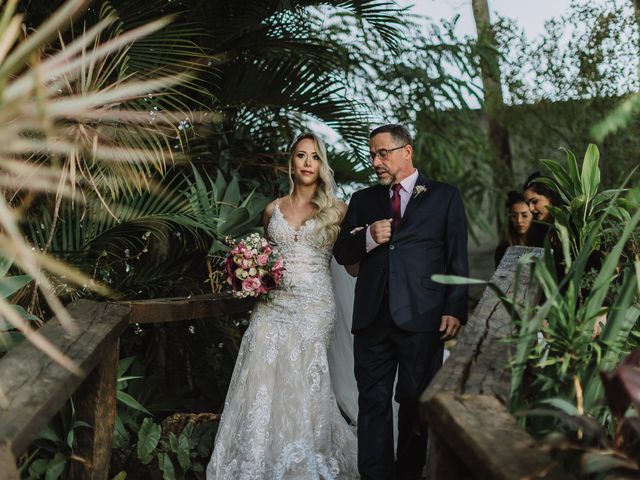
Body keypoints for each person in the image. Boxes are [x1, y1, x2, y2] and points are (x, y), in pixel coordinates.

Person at [207, 133, 358, 479]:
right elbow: (268, 257)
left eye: (315, 157)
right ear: (291, 162)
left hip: (314, 306)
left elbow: (351, 261)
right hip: (272, 305)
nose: (307, 163)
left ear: (321, 165)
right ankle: (257, 459)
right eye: (301, 156)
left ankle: (303, 458)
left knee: (302, 378)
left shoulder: (338, 210)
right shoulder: (272, 209)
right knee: (259, 373)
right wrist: (249, 270)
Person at [333, 124, 469, 480]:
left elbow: (458, 258)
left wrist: (454, 308)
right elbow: (341, 251)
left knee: (415, 400)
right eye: (372, 154)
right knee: (373, 402)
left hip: (423, 318)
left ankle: (410, 472)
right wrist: (368, 238)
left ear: (406, 151)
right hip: (372, 318)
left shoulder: (444, 196)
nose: (375, 161)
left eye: (383, 153)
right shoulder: (363, 200)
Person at [494, 190, 533, 267]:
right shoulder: (502, 250)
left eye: (524, 215)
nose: (519, 220)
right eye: (514, 216)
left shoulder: (543, 246)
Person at [522, 172, 561, 247]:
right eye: (527, 204)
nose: (531, 209)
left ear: (550, 197)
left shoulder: (575, 224)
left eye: (534, 201)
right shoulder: (535, 231)